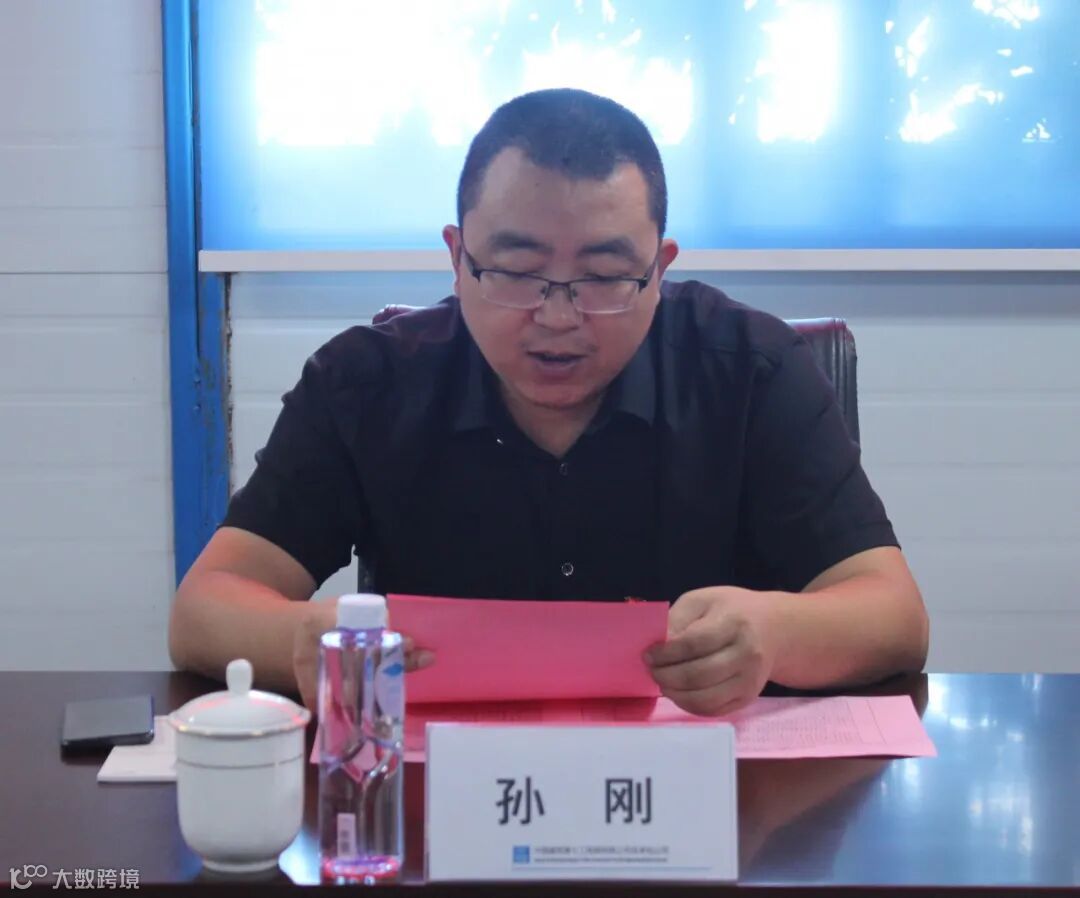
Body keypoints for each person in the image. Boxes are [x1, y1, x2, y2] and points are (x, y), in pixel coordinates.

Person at [169, 88, 928, 715]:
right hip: (442, 809)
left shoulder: (751, 371)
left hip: (711, 805)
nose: (558, 317)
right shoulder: (364, 384)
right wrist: (301, 637)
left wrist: (777, 632)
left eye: (604, 276)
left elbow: (894, 617)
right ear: (457, 257)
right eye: (516, 270)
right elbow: (205, 608)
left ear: (659, 269)